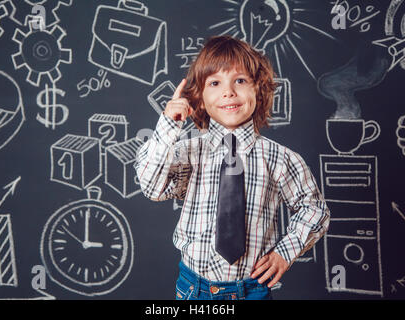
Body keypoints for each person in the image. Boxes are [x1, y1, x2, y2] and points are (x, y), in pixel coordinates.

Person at [134, 35, 330, 300]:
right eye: (215, 83)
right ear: (200, 99)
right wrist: (169, 125)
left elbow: (314, 209)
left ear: (257, 90)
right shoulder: (188, 151)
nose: (229, 91)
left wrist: (285, 252)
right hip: (195, 288)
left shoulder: (280, 158)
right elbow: (152, 187)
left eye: (240, 80)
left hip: (252, 289)